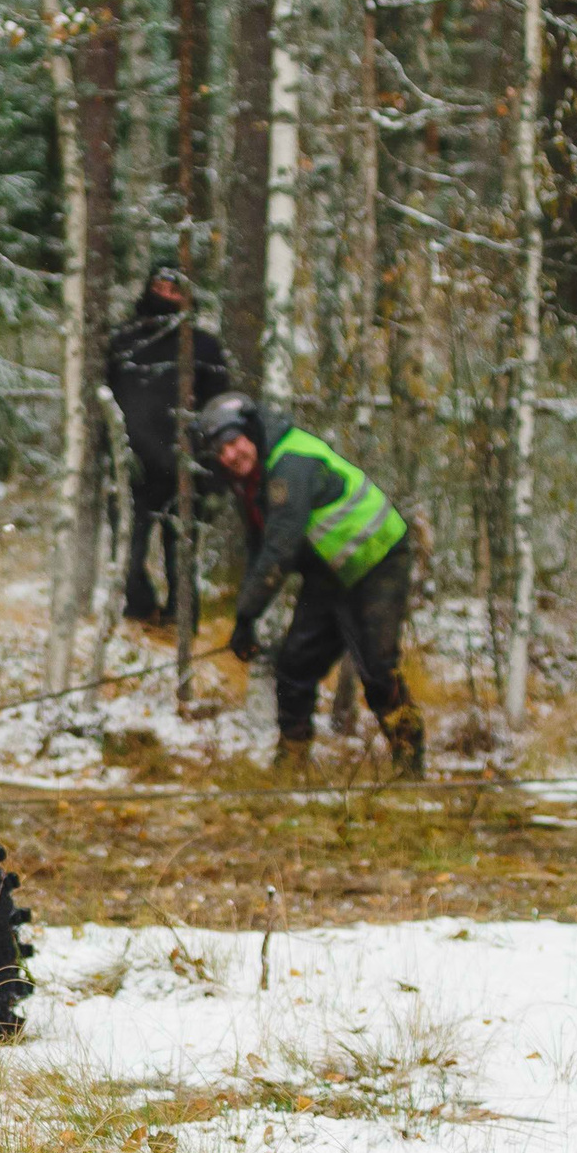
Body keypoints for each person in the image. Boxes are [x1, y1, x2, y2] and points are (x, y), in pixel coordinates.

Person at [195, 392, 425, 777]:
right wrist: (244, 620)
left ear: (250, 432)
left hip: (377, 558)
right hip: (330, 571)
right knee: (295, 663)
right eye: (221, 451)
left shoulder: (290, 462)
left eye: (234, 442)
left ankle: (410, 763)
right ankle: (292, 764)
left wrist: (248, 613)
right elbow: (259, 548)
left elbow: (280, 550)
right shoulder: (250, 479)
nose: (231, 455)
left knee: (377, 668)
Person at [104, 264, 232, 621]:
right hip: (133, 469)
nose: (166, 296)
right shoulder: (123, 341)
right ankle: (142, 613)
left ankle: (180, 623)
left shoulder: (204, 346)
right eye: (160, 287)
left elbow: (220, 411)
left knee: (182, 560)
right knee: (127, 556)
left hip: (186, 470)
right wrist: (111, 456)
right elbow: (104, 402)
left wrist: (215, 476)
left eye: (175, 291)